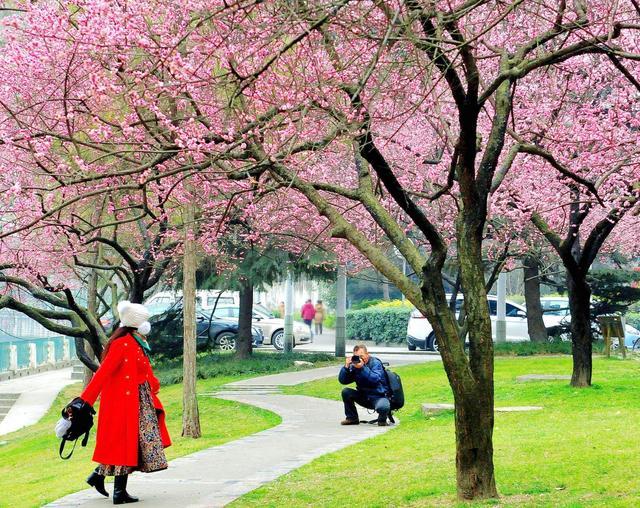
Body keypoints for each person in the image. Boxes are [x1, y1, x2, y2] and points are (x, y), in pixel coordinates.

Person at [80, 301, 171, 504]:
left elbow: (143, 369)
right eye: (144, 321)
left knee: (134, 443)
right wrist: (85, 400)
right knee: (126, 444)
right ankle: (118, 492)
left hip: (139, 399)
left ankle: (98, 476)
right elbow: (103, 373)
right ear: (136, 324)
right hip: (125, 402)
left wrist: (153, 384)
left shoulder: (137, 341)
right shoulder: (123, 343)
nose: (147, 324)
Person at [338, 344, 390, 427]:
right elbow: (343, 381)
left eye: (361, 356)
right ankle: (352, 418)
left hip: (378, 397)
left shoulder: (375, 363)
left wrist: (362, 368)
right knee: (346, 392)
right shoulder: (355, 366)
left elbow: (375, 379)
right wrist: (346, 367)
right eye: (357, 357)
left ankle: (382, 420)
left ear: (367, 354)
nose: (360, 359)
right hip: (364, 397)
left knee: (383, 407)